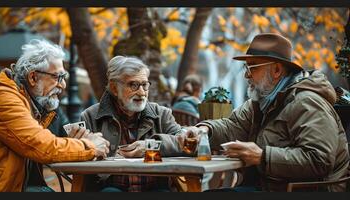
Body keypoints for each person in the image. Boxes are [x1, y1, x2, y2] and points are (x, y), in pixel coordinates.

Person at [184, 33, 350, 192]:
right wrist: (205, 130)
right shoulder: (261, 100)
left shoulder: (307, 102)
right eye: (246, 67)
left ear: (277, 70)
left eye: (252, 68)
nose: (246, 75)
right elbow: (233, 126)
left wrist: (261, 157)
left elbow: (319, 160)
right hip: (268, 186)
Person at [0, 39, 110, 192]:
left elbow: (43, 143)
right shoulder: (3, 98)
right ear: (33, 77)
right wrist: (90, 146)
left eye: (64, 77)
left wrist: (76, 143)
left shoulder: (30, 102)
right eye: (58, 77)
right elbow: (42, 147)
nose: (63, 85)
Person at [80, 55, 187, 192]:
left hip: (155, 188)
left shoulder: (162, 114)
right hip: (110, 188)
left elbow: (186, 143)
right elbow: (75, 166)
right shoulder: (90, 117)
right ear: (114, 88)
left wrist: (153, 146)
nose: (142, 92)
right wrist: (89, 150)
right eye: (133, 85)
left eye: (144, 85)